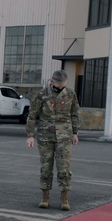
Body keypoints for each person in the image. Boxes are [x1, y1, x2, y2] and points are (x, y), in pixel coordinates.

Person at [25, 70, 80, 210]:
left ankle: (64, 200)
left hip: (64, 137)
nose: (60, 87)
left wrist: (75, 133)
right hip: (45, 137)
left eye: (63, 85)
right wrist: (30, 135)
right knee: (46, 168)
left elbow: (75, 114)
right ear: (52, 81)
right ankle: (45, 198)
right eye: (58, 85)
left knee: (64, 169)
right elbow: (32, 116)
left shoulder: (71, 94)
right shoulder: (42, 95)